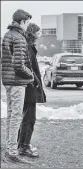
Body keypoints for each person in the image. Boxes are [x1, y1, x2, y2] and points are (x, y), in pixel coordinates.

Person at [1, 9, 34, 163]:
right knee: (16, 117)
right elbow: (18, 65)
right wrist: (30, 74)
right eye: (27, 22)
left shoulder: (7, 35)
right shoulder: (19, 38)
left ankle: (9, 149)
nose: (28, 25)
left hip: (8, 81)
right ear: (22, 22)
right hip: (17, 82)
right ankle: (12, 153)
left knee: (10, 116)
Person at [17, 23, 46, 157]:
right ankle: (24, 146)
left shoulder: (29, 46)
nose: (39, 35)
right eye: (38, 32)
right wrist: (35, 81)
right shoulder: (28, 47)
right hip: (30, 87)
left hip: (29, 86)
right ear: (32, 33)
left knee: (26, 117)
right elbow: (28, 68)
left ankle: (21, 144)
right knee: (29, 118)